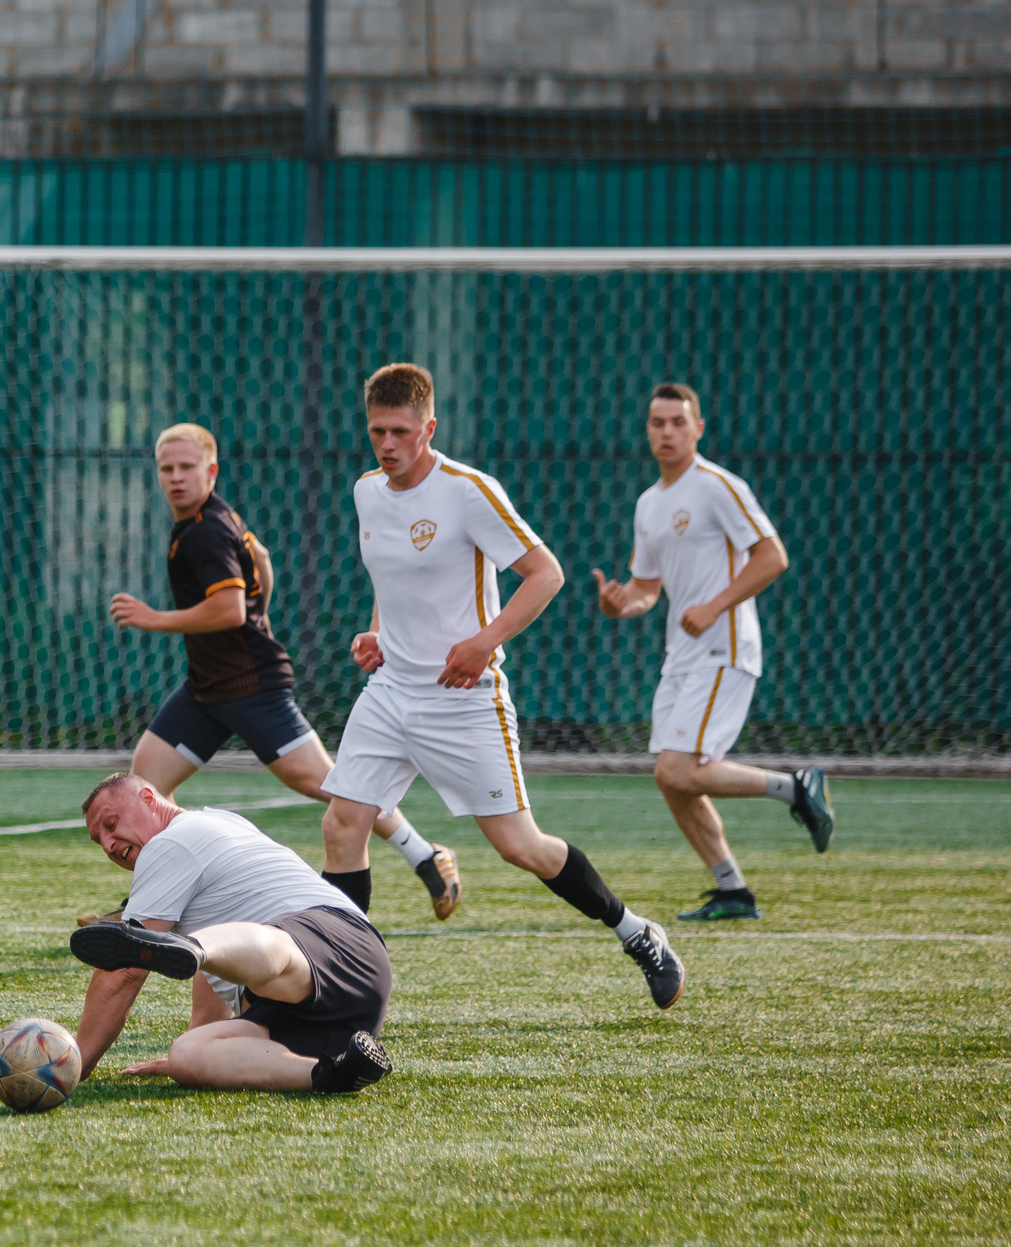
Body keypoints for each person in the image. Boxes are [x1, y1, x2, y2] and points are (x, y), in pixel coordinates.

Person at [321, 363, 687, 1010]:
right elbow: (391, 578)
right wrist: (377, 631)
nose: (387, 444)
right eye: (377, 430)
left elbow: (546, 574)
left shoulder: (468, 492)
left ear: (429, 428)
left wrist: (482, 643)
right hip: (391, 691)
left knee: (521, 847)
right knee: (343, 824)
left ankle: (636, 931)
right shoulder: (366, 491)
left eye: (401, 431)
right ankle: (341, 985)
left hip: (463, 699)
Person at [106, 421, 460, 921]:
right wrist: (262, 611)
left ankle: (425, 855)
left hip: (251, 688)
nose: (176, 477)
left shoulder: (205, 530)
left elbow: (229, 610)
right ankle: (150, 903)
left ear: (211, 470)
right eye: (167, 468)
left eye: (187, 467)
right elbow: (262, 559)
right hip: (207, 688)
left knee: (333, 786)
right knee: (146, 783)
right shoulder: (210, 517)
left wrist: (154, 618)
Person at [592, 383, 833, 921]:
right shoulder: (649, 503)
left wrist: (715, 605)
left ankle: (796, 789)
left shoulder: (718, 486)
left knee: (679, 770)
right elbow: (646, 589)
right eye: (658, 422)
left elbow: (772, 556)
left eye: (678, 422)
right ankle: (733, 891)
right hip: (682, 653)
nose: (667, 432)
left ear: (698, 428)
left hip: (724, 647)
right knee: (671, 777)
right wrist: (619, 605)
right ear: (647, 430)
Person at [66, 773, 393, 1095]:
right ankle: (335, 1072)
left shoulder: (170, 842)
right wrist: (205, 1039)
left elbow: (125, 971)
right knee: (187, 1054)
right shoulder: (218, 823)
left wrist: (74, 1063)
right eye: (99, 841)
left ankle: (196, 947)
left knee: (267, 949)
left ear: (149, 799)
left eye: (111, 825)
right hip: (329, 1021)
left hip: (332, 942)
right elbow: (218, 972)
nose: (108, 844)